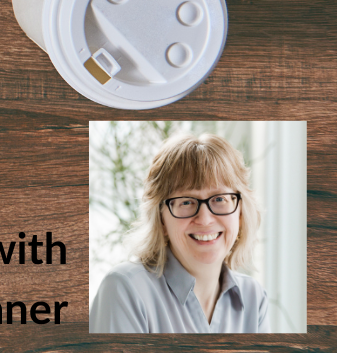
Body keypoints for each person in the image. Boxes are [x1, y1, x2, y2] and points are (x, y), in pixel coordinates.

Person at [91, 133, 269, 332]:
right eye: (186, 202)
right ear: (161, 220)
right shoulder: (125, 289)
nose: (205, 219)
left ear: (241, 213)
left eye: (219, 199)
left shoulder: (253, 298)